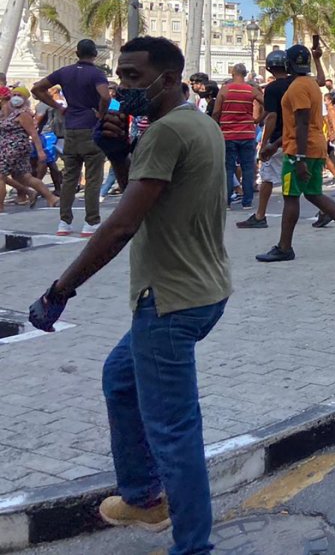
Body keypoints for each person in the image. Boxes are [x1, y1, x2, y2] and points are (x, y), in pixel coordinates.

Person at [27, 36, 230, 552]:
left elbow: (121, 225)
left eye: (135, 77)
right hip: (202, 291)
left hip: (167, 300)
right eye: (120, 75)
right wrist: (119, 151)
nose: (122, 86)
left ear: (167, 79)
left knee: (174, 433)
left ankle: (192, 545)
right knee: (120, 380)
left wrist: (61, 288)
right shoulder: (197, 123)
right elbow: (148, 191)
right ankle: (142, 496)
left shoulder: (166, 133)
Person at [256, 43, 335, 262]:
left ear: (287, 64)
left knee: (290, 196)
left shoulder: (297, 88)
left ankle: (284, 247)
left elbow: (301, 122)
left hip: (301, 149)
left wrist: (298, 158)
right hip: (314, 146)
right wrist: (276, 144)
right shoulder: (310, 84)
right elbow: (299, 124)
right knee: (313, 193)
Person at [32, 39, 110, 235]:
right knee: (93, 178)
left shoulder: (64, 72)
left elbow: (37, 88)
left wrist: (58, 106)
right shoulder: (97, 73)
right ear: (94, 54)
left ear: (77, 53)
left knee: (69, 178)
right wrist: (101, 113)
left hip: (71, 128)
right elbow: (106, 96)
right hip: (91, 128)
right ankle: (91, 222)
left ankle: (64, 222)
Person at [235, 51, 290, 229]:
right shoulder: (294, 84)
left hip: (277, 138)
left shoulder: (273, 88)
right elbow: (271, 109)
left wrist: (265, 142)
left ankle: (260, 215)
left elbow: (273, 115)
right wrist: (259, 119)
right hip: (292, 136)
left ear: (269, 67)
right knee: (297, 177)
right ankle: (325, 210)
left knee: (267, 177)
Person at [0, 87, 60, 210]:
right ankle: (50, 197)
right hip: (9, 148)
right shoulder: (8, 113)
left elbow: (33, 133)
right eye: (14, 94)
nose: (15, 97)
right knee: (24, 177)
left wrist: (40, 151)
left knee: (1, 176)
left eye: (19, 95)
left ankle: (0, 206)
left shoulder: (22, 113)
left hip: (14, 148)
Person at [213, 63, 262, 210]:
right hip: (247, 133)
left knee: (228, 168)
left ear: (233, 73)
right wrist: (258, 120)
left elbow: (216, 112)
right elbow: (267, 104)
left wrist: (216, 126)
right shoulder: (251, 90)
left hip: (228, 134)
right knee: (247, 168)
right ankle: (247, 202)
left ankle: (227, 202)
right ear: (245, 74)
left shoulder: (225, 90)